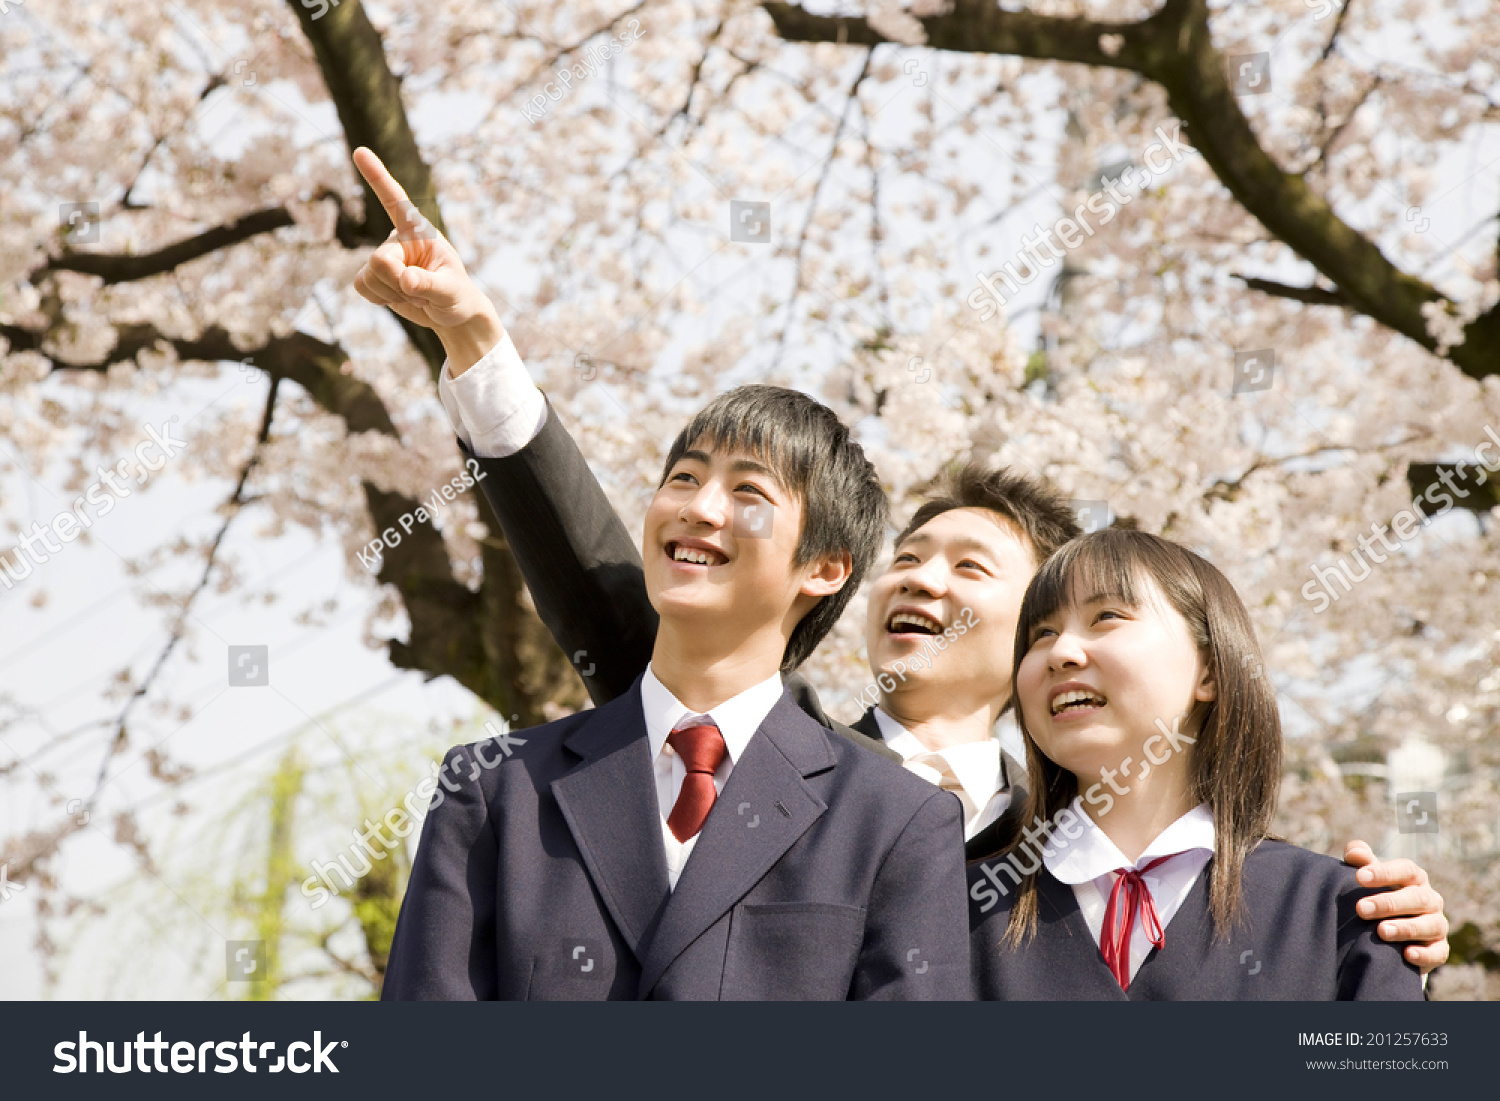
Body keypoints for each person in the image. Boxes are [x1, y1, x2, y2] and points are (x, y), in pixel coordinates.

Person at [348, 145, 1449, 977]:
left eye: (975, 569)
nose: (921, 579)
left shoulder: (1079, 856)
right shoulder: (762, 759)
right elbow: (606, 578)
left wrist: (1373, 927)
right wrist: (482, 357)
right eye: (911, 558)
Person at [380, 373, 971, 997]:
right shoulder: (496, 792)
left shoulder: (895, 820)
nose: (698, 507)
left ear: (824, 568)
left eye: (747, 490)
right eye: (684, 478)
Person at [968, 530, 1422, 999]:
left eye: (1106, 617)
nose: (1061, 653)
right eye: (1042, 634)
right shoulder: (959, 912)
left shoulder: (1340, 913)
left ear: (1208, 671)